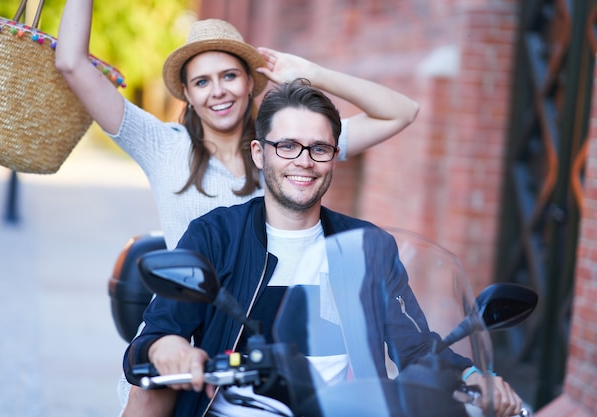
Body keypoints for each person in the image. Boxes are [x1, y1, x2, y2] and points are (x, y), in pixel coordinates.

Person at [122, 79, 524, 417]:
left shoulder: (369, 247)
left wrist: (474, 377)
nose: (304, 161)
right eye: (288, 146)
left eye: (319, 148)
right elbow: (150, 342)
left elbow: (415, 346)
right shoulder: (216, 235)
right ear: (260, 154)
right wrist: (167, 347)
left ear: (333, 156)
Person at [55, 2, 420, 251]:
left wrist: (316, 75)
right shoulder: (161, 145)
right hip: (188, 331)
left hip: (271, 336)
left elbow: (400, 112)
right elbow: (71, 63)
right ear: (187, 93)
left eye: (229, 76)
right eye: (202, 82)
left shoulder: (290, 149)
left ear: (250, 82)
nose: (218, 92)